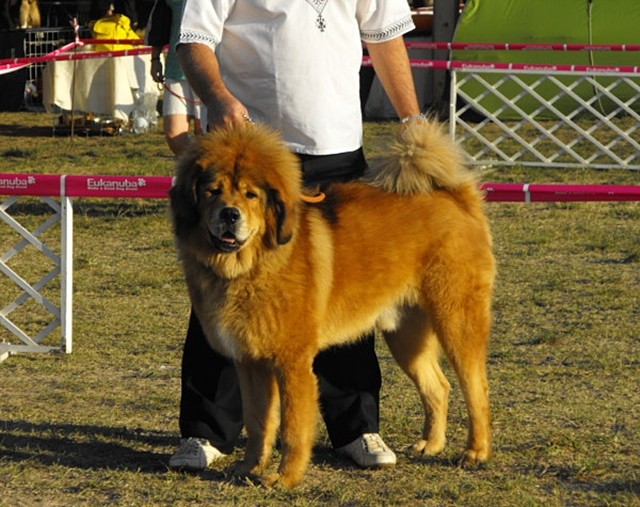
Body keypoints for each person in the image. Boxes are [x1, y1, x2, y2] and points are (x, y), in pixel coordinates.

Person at [169, 0, 425, 471]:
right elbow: (194, 40)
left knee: (345, 290)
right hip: (251, 149)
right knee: (224, 288)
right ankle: (207, 432)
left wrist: (411, 116)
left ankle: (357, 428)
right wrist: (218, 97)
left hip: (337, 149)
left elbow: (385, 34)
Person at [146, 0, 203, 156]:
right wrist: (155, 59)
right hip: (176, 70)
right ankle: (197, 167)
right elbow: (159, 22)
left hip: (209, 71)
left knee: (204, 134)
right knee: (174, 136)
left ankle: (206, 169)